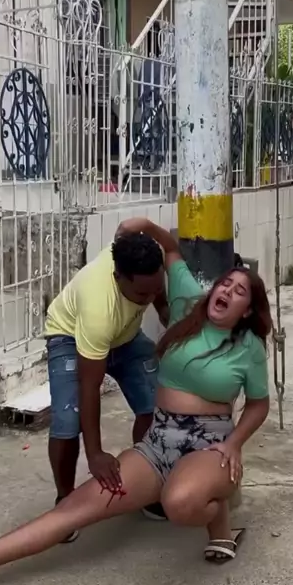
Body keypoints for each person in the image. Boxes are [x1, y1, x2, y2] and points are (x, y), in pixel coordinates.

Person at [0, 219, 272, 585]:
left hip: (209, 446)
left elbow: (259, 404)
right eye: (225, 283)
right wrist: (144, 225)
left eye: (239, 291)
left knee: (179, 503)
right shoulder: (188, 300)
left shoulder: (248, 348)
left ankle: (218, 517)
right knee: (72, 510)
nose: (227, 290)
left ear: (247, 311)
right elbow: (171, 248)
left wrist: (234, 443)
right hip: (157, 446)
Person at [43, 230, 169, 540]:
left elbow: (159, 296)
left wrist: (170, 319)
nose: (149, 298)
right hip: (70, 336)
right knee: (68, 421)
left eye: (155, 289)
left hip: (125, 337)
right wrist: (95, 454)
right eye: (142, 294)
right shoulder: (98, 307)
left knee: (159, 405)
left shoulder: (149, 262)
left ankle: (148, 485)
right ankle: (65, 502)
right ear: (117, 278)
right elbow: (90, 386)